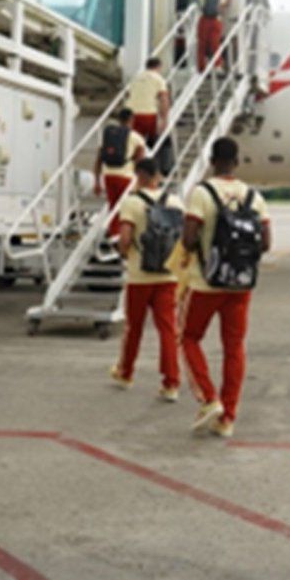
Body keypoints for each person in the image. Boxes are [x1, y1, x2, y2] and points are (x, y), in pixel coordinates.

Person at [180, 137, 270, 438]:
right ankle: (228, 417)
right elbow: (266, 243)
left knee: (189, 338)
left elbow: (189, 238)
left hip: (205, 284)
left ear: (211, 160)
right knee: (234, 348)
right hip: (241, 286)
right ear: (237, 161)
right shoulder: (254, 197)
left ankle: (208, 398)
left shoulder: (202, 193)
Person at [111, 158, 184, 401]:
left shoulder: (132, 203)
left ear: (141, 175)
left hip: (139, 276)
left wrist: (124, 253)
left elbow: (124, 238)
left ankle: (126, 373)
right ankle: (171, 382)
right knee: (168, 330)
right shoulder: (175, 201)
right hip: (168, 276)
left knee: (134, 328)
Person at [93, 108, 146, 236]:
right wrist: (140, 184)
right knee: (127, 210)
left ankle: (114, 234)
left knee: (113, 208)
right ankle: (124, 238)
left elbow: (99, 161)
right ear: (132, 120)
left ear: (119, 119)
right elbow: (141, 163)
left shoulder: (108, 136)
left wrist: (97, 183)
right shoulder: (136, 138)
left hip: (109, 176)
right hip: (125, 177)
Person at [196, 0, 231, 72]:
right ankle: (217, 64)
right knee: (215, 43)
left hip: (205, 18)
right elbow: (224, 5)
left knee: (202, 44)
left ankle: (201, 66)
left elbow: (201, 4)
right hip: (216, 19)